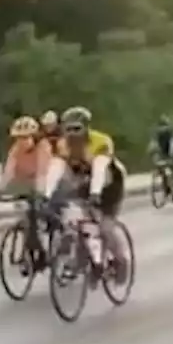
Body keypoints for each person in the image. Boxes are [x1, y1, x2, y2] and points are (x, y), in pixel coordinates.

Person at [42, 107, 130, 284]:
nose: (73, 134)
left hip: (110, 183)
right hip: (84, 182)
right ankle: (85, 260)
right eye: (69, 129)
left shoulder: (100, 141)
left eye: (77, 129)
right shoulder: (63, 144)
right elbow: (56, 168)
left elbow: (100, 167)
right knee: (78, 224)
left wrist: (96, 193)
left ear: (86, 128)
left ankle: (121, 261)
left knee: (105, 227)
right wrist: (46, 194)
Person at [0, 115, 51, 198]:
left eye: (25, 137)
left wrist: (40, 193)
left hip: (43, 183)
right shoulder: (16, 149)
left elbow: (42, 173)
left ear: (34, 137)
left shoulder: (43, 147)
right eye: (18, 138)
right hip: (24, 184)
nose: (21, 141)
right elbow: (8, 172)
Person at [147, 115, 173, 197]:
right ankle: (167, 186)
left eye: (164, 127)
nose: (162, 129)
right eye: (161, 127)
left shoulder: (172, 135)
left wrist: (171, 156)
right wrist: (152, 152)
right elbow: (154, 144)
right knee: (162, 170)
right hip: (165, 154)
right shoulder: (159, 135)